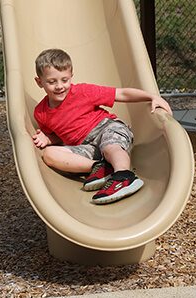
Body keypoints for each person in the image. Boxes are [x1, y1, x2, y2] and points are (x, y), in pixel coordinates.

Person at [32, 48, 172, 204]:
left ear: (71, 76)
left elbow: (121, 94)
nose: (59, 86)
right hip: (87, 147)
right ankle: (101, 167)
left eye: (65, 80)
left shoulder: (83, 92)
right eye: (52, 82)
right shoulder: (41, 112)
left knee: (109, 147)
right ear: (39, 82)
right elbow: (59, 136)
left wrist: (151, 96)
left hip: (108, 129)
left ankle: (124, 176)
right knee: (49, 154)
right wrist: (47, 138)